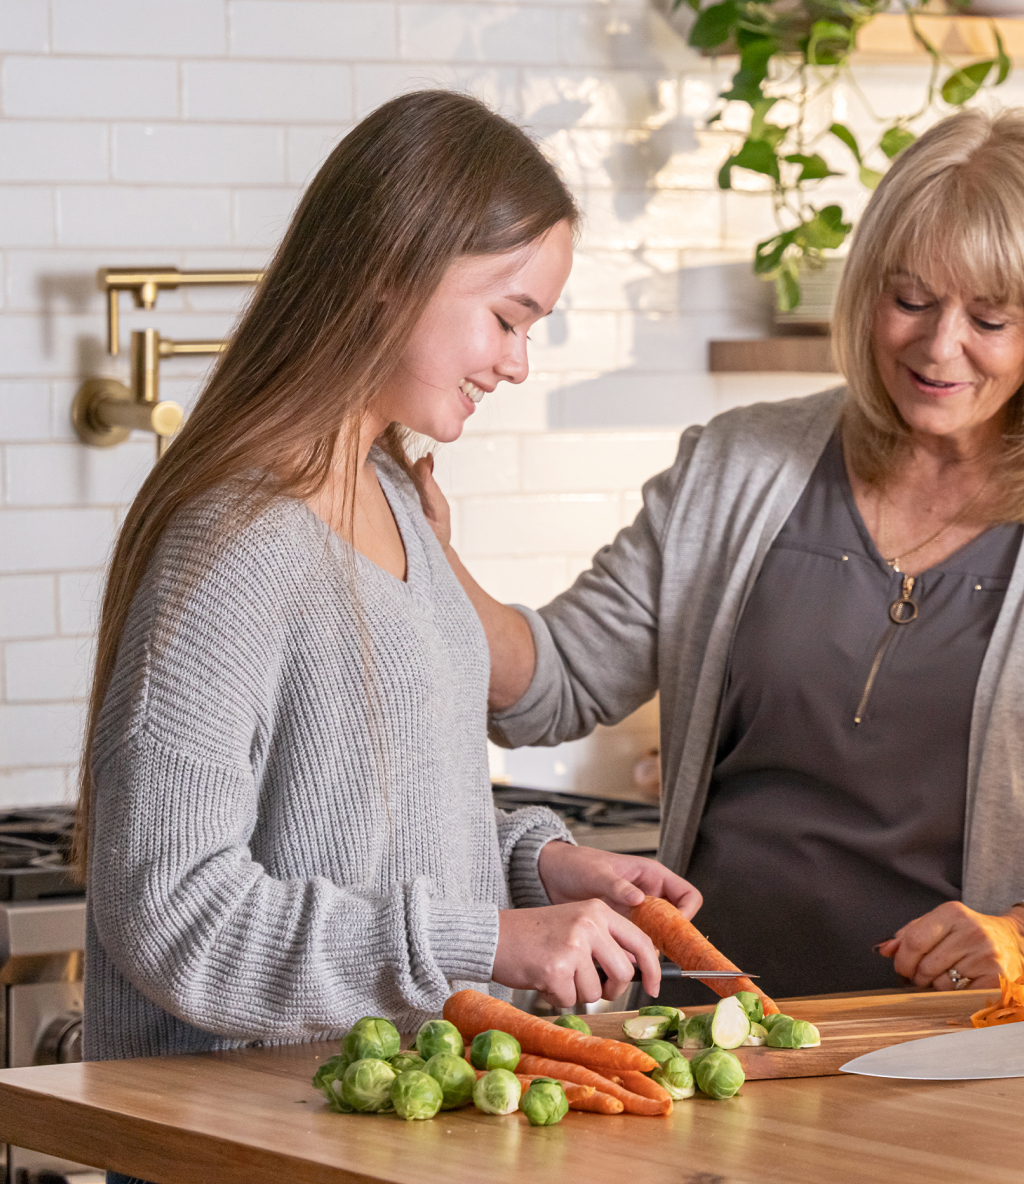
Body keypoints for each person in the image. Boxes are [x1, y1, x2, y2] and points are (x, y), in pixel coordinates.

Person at [428, 107, 1024, 1000]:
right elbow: (553, 684)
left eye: (990, 319)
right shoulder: (739, 465)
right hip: (717, 1027)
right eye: (910, 299)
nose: (938, 345)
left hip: (969, 1042)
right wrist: (430, 555)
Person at [78, 91, 698, 1073]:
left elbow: (369, 821)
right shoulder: (233, 541)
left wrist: (537, 865)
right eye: (505, 317)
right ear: (389, 273)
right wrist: (490, 942)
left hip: (371, 1131)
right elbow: (173, 912)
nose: (516, 361)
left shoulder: (392, 499)